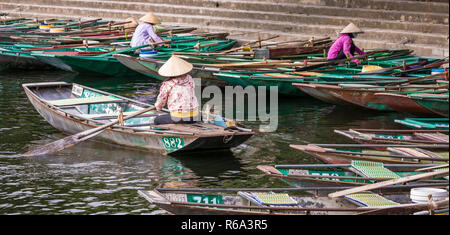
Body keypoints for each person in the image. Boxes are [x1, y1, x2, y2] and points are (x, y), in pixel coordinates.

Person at [153, 55, 199, 125]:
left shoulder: (168, 84)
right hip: (195, 116)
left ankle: (163, 134)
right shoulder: (190, 78)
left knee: (157, 120)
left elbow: (161, 100)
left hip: (179, 117)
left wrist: (158, 107)